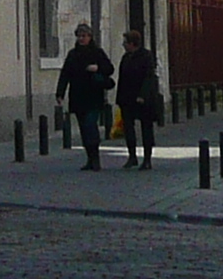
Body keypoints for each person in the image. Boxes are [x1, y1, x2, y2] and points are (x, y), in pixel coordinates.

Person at [57, 23, 115, 170]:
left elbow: (109, 68)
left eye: (84, 36)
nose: (81, 39)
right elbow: (65, 74)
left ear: (90, 37)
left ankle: (95, 158)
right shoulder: (72, 54)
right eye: (79, 36)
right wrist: (60, 93)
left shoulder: (97, 53)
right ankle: (90, 158)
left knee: (91, 126)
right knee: (83, 128)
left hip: (94, 96)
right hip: (77, 96)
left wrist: (98, 68)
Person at [115, 30, 163, 169]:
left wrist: (143, 95)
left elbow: (149, 77)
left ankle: (147, 159)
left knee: (146, 128)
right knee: (128, 128)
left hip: (143, 99)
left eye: (125, 42)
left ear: (132, 43)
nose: (123, 45)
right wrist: (120, 99)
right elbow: (122, 79)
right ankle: (132, 156)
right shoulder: (126, 57)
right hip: (127, 98)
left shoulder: (146, 56)